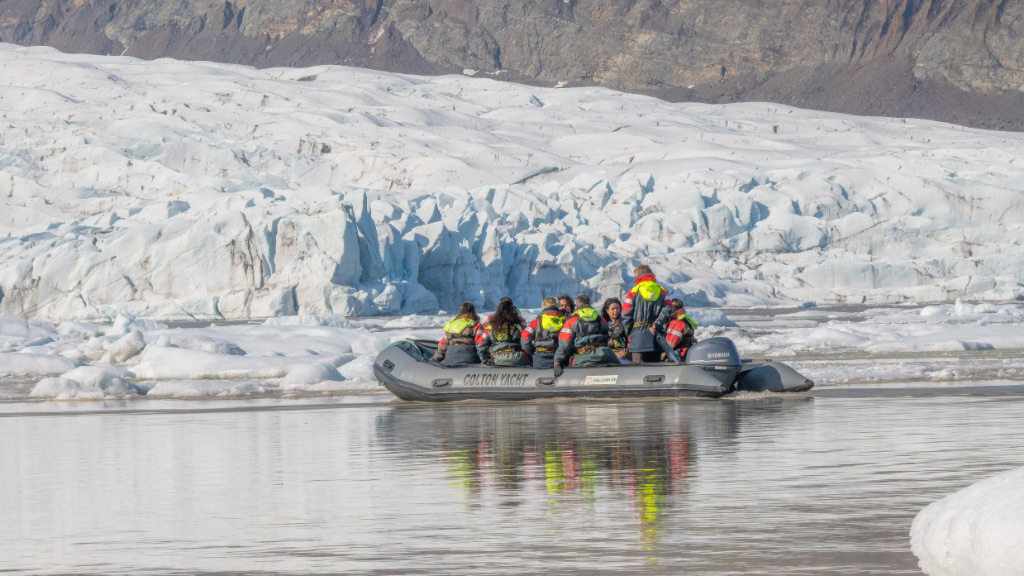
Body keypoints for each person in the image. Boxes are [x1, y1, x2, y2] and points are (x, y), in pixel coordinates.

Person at [553, 294, 620, 376]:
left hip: (584, 359)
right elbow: (608, 336)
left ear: (577, 305)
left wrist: (557, 362)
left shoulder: (572, 321)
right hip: (606, 355)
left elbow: (564, 345)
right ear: (589, 303)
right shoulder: (600, 319)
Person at [621, 264, 672, 364]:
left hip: (638, 340)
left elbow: (626, 314)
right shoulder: (663, 291)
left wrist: (629, 333)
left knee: (638, 373)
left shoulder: (633, 292)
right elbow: (667, 310)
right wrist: (657, 324)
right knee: (654, 373)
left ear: (638, 276)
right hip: (656, 339)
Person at [476, 299, 529, 366]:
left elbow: (480, 346)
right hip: (518, 359)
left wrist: (485, 361)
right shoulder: (519, 326)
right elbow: (526, 343)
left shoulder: (490, 327)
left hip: (497, 360)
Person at [521, 297, 566, 369]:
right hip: (558, 356)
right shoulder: (564, 321)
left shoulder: (536, 322)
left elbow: (525, 337)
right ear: (557, 306)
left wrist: (532, 351)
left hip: (540, 356)